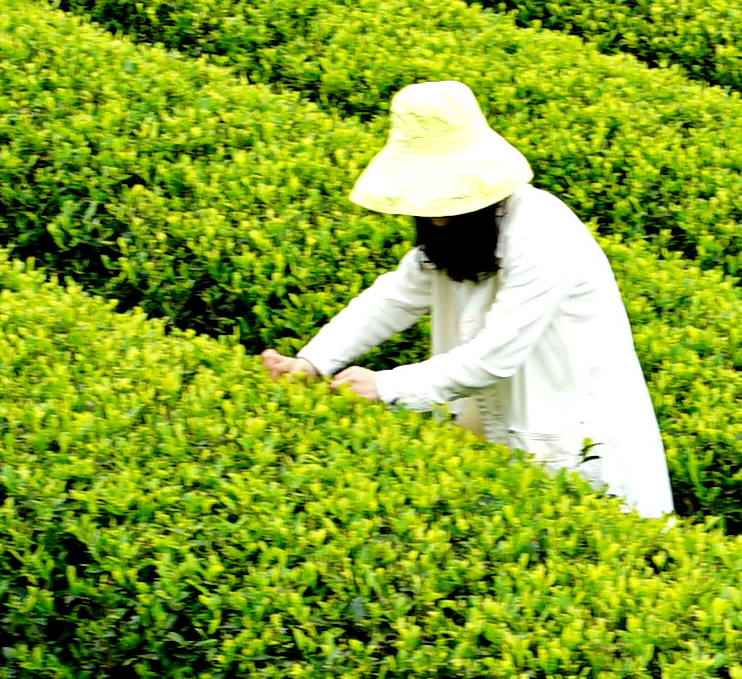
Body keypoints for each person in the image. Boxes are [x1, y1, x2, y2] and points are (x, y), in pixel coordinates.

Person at [259, 82, 673, 517]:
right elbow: (392, 298)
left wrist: (386, 387)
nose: (433, 213)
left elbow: (495, 356)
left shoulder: (542, 232)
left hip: (574, 432)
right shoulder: (454, 231)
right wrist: (313, 362)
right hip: (497, 428)